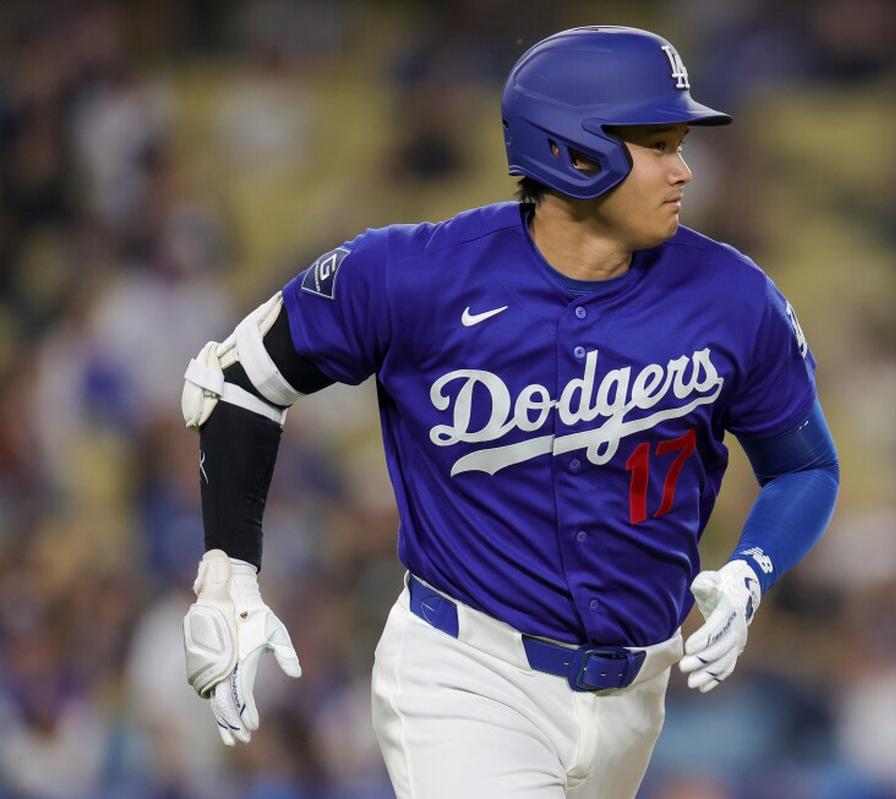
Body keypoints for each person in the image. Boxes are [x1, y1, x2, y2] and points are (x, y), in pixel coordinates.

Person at [179, 25, 840, 798]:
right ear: (573, 152)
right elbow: (237, 380)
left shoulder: (733, 297)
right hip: (466, 674)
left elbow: (807, 467)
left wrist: (753, 571)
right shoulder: (417, 274)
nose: (683, 169)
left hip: (636, 693)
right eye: (658, 144)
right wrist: (228, 573)